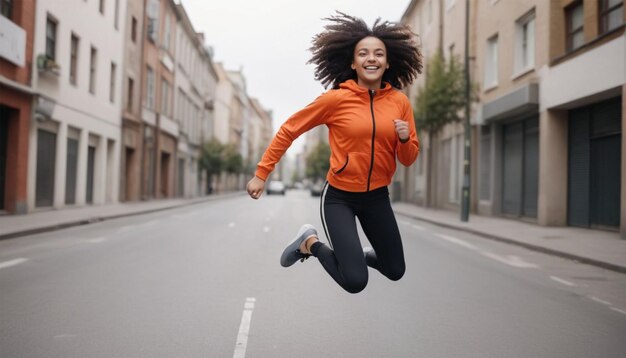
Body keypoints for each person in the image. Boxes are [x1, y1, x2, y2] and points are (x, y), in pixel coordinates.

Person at [246, 12, 423, 294]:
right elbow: (290, 129)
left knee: (395, 270)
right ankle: (310, 243)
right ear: (353, 62)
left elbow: (409, 158)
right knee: (355, 281)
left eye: (379, 53)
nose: (371, 58)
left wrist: (404, 138)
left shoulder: (399, 102)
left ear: (388, 62)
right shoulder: (336, 100)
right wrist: (261, 173)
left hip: (377, 197)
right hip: (340, 197)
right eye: (363, 53)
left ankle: (356, 258)